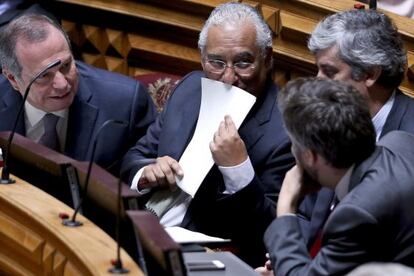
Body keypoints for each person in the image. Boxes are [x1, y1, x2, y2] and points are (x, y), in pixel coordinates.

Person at [121, 2, 294, 267]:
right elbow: (137, 155)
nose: (228, 78)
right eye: (216, 63)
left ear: (267, 59)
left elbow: (274, 232)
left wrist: (238, 170)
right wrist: (145, 173)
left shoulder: (287, 129)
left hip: (207, 256)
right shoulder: (191, 87)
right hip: (139, 228)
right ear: (202, 59)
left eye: (243, 62)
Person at [260, 77, 414, 275]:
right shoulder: (399, 142)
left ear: (310, 156)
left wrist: (285, 209)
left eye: (294, 145)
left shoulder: (357, 213)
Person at [299, 8, 414, 250]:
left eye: (329, 72)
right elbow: (306, 216)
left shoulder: (409, 141)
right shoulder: (330, 121)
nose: (317, 81)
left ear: (370, 74)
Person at [0, 14, 156, 173]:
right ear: (12, 79)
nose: (62, 84)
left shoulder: (126, 102)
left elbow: (145, 167)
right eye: (44, 76)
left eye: (66, 65)